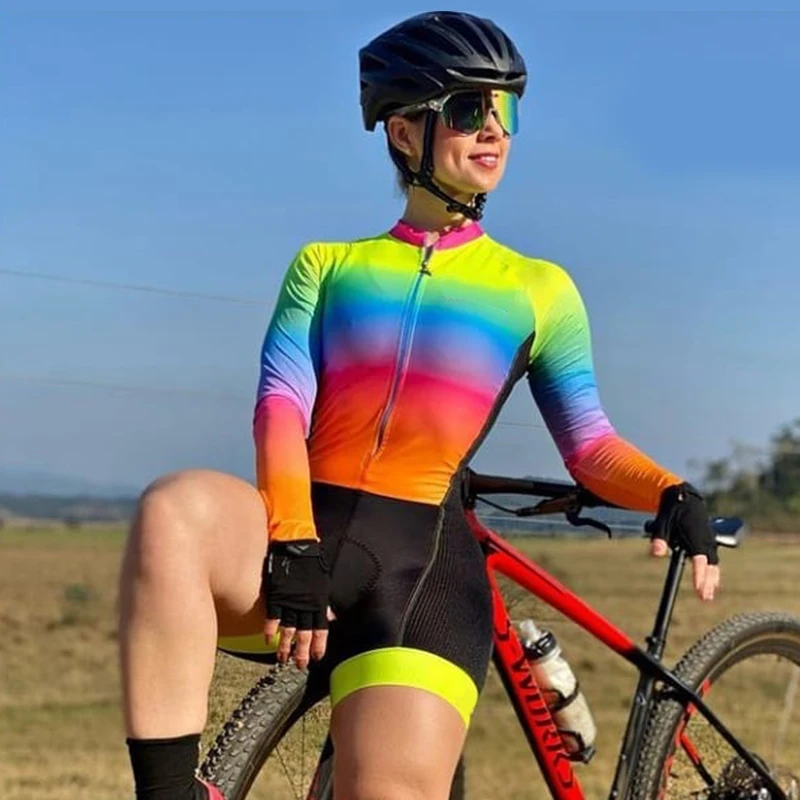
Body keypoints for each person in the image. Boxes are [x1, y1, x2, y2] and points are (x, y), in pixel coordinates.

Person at [118, 11, 721, 800]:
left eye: (506, 109)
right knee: (172, 509)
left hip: (422, 577)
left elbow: (589, 446)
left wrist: (670, 492)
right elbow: (280, 407)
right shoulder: (327, 266)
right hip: (301, 536)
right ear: (405, 133)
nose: (494, 129)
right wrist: (293, 541)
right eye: (469, 109)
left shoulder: (538, 289)